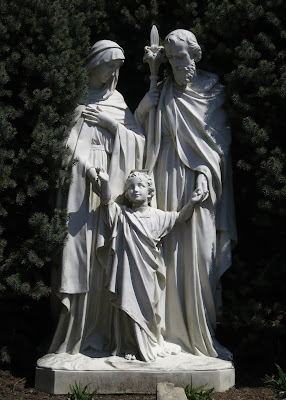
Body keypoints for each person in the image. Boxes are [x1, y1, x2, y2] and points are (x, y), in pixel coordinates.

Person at [136, 29, 237, 359]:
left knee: (200, 257)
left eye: (183, 58)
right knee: (164, 257)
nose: (178, 65)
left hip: (199, 183)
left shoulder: (211, 92)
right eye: (173, 59)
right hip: (164, 177)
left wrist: (206, 173)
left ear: (195, 56)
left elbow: (218, 146)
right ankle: (162, 335)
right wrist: (143, 110)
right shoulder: (161, 90)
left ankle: (202, 336)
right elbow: (142, 139)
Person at [49, 40, 145, 356]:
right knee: (80, 256)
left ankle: (103, 333)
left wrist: (109, 124)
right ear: (96, 63)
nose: (113, 73)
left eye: (117, 68)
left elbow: (139, 144)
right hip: (82, 188)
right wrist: (88, 170)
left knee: (104, 262)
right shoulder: (75, 100)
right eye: (110, 65)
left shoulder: (117, 101)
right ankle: (76, 337)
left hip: (111, 186)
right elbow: (63, 147)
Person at [87, 167, 207, 361]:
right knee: (127, 305)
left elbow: (180, 218)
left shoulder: (158, 215)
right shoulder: (122, 214)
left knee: (147, 307)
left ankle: (149, 341)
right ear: (126, 192)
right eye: (131, 187)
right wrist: (106, 182)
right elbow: (107, 201)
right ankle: (130, 345)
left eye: (140, 186)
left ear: (150, 191)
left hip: (147, 270)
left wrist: (192, 202)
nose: (135, 190)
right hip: (126, 270)